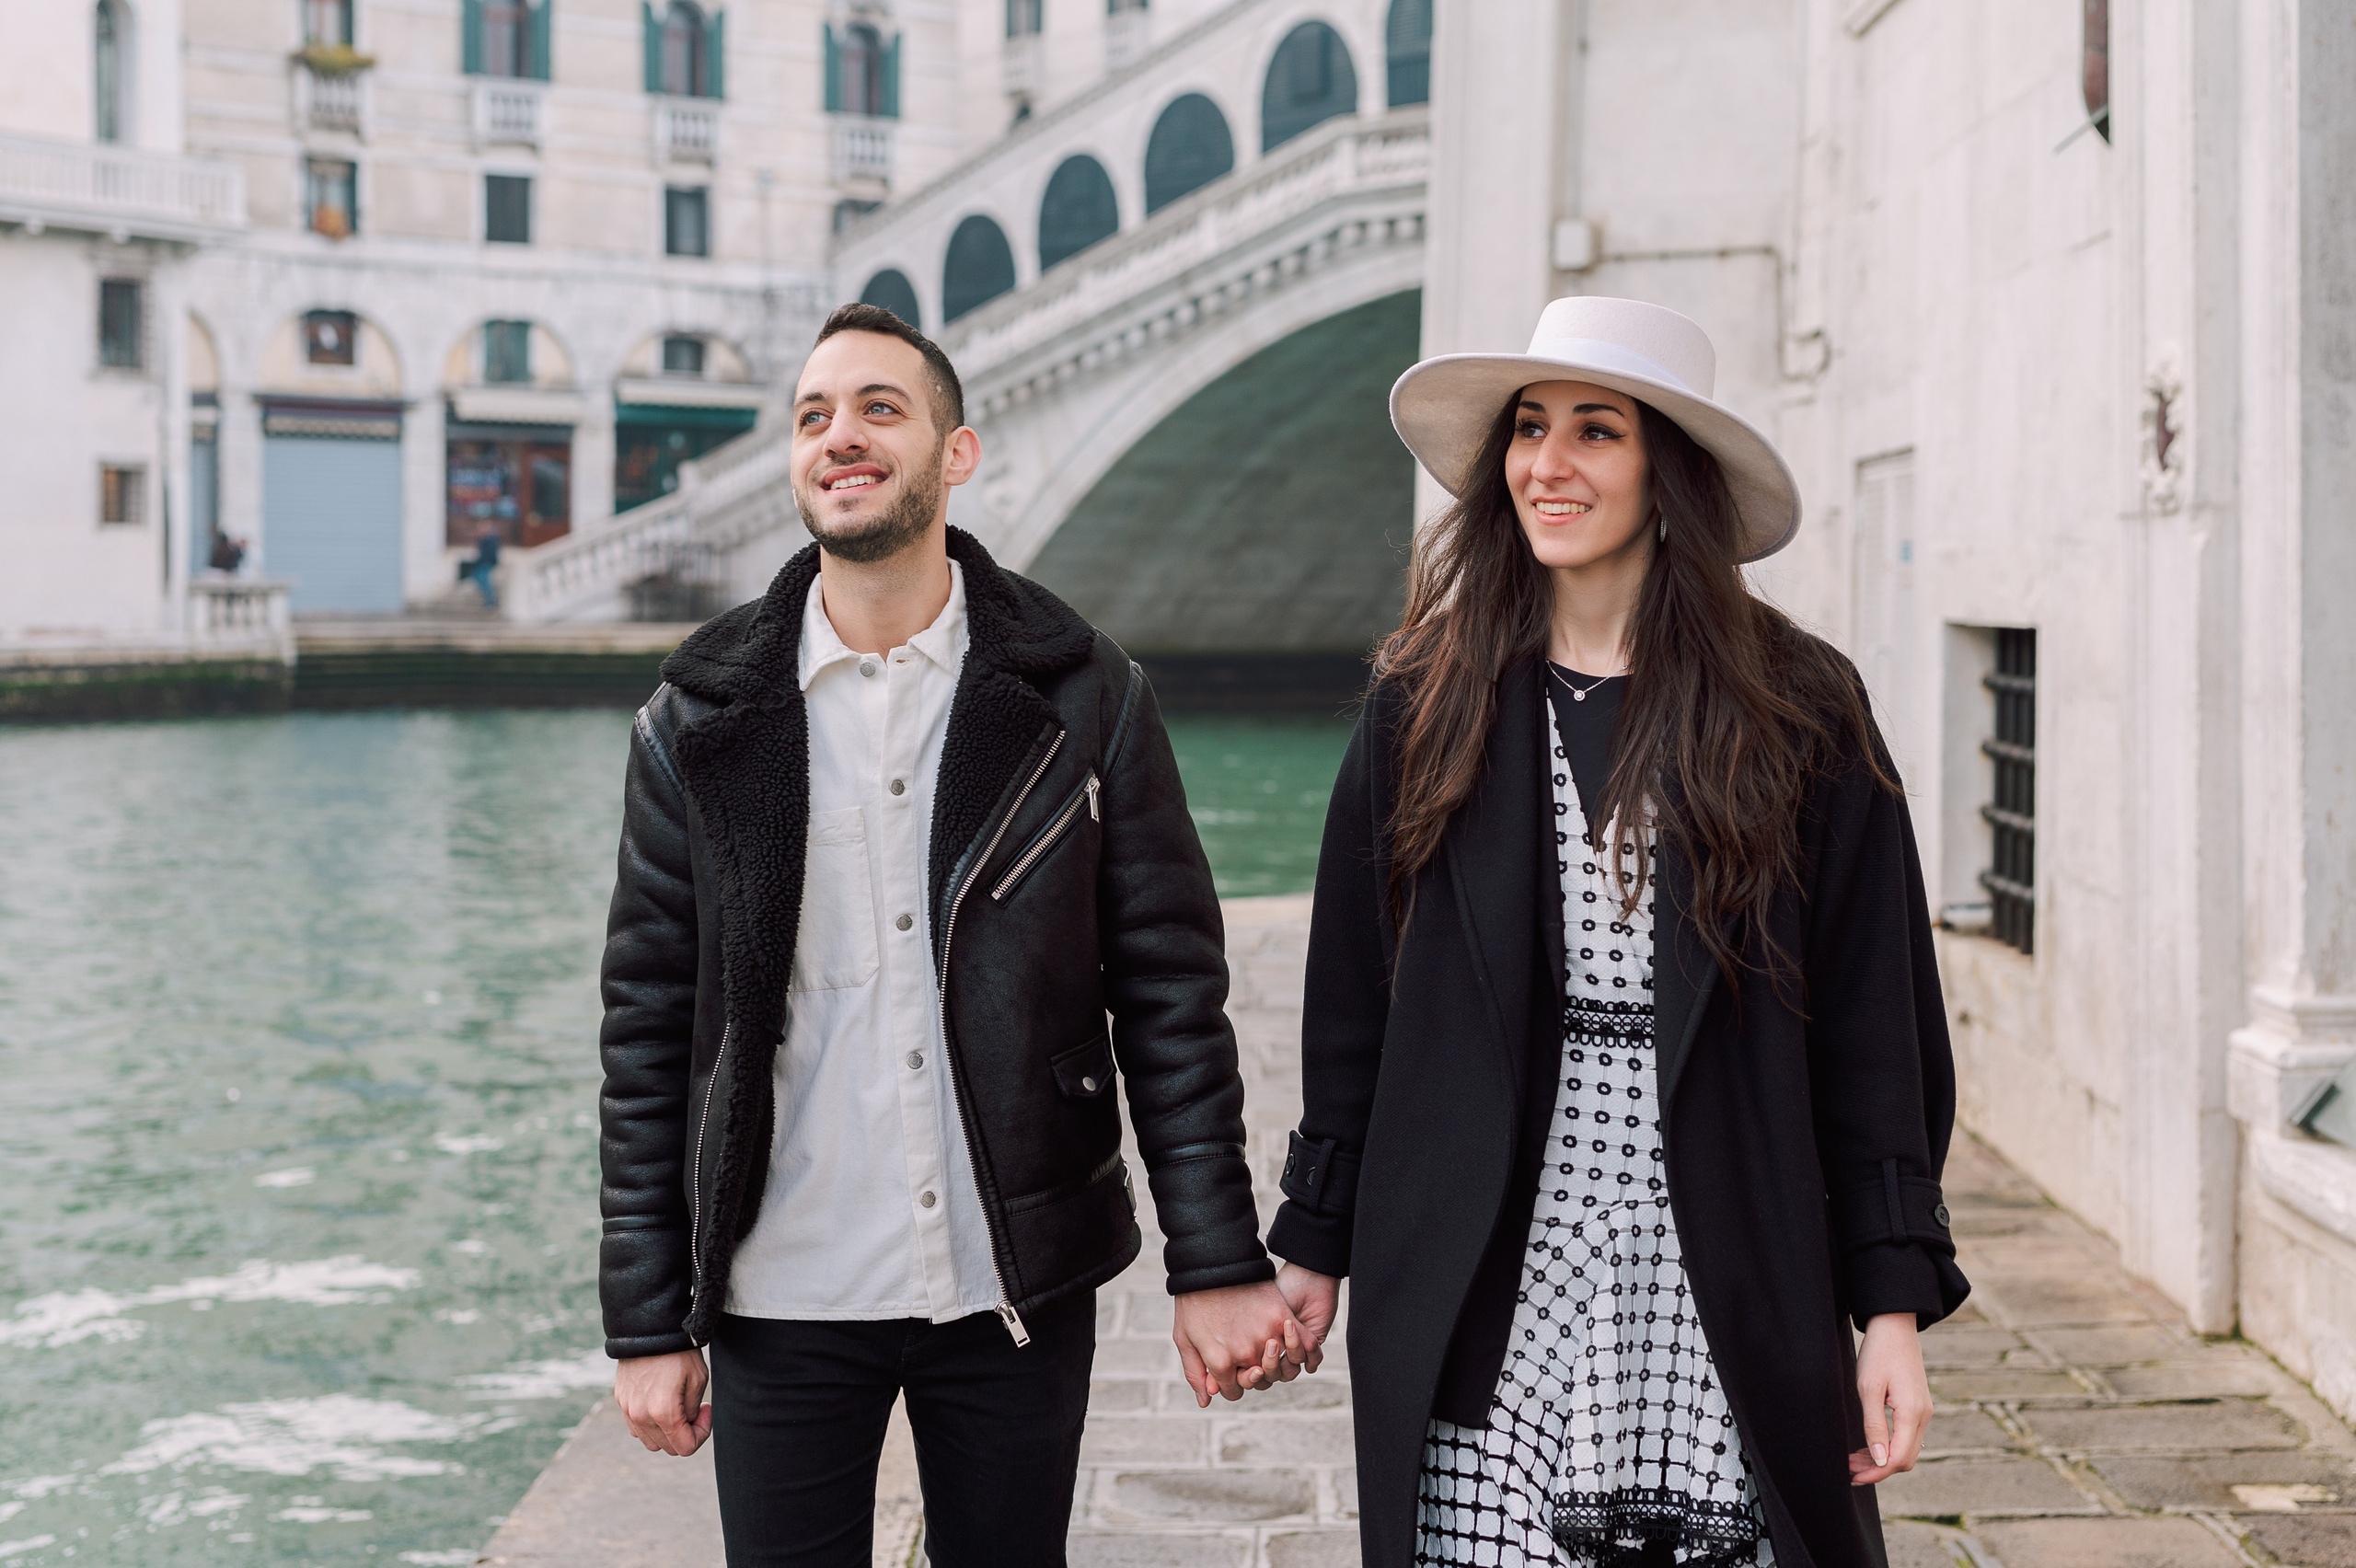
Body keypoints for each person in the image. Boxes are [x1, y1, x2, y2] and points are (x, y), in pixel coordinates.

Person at [596, 302, 1311, 1566]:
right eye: (814, 416)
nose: (841, 436)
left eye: (880, 407)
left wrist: (1215, 1262)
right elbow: (649, 1034)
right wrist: (649, 1320)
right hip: (780, 1291)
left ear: (957, 452)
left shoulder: (1087, 696)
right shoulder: (692, 722)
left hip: (1009, 1284)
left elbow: (1168, 1001)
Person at [1267, 297, 1970, 1568]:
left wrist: (1892, 1305)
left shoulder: (1800, 708)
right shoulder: (1426, 701)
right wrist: (1315, 1242)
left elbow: (1878, 1031)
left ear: (1669, 472)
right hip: (1483, 1252)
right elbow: (1353, 1007)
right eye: (1531, 430)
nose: (1549, 464)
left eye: (1597, 432)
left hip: (1724, 1250)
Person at [468, 525, 502, 608]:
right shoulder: (485, 540)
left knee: (485, 583)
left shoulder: (490, 540)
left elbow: (489, 554)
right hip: (482, 563)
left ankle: (490, 602)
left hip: (485, 563)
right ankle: (489, 601)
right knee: (480, 580)